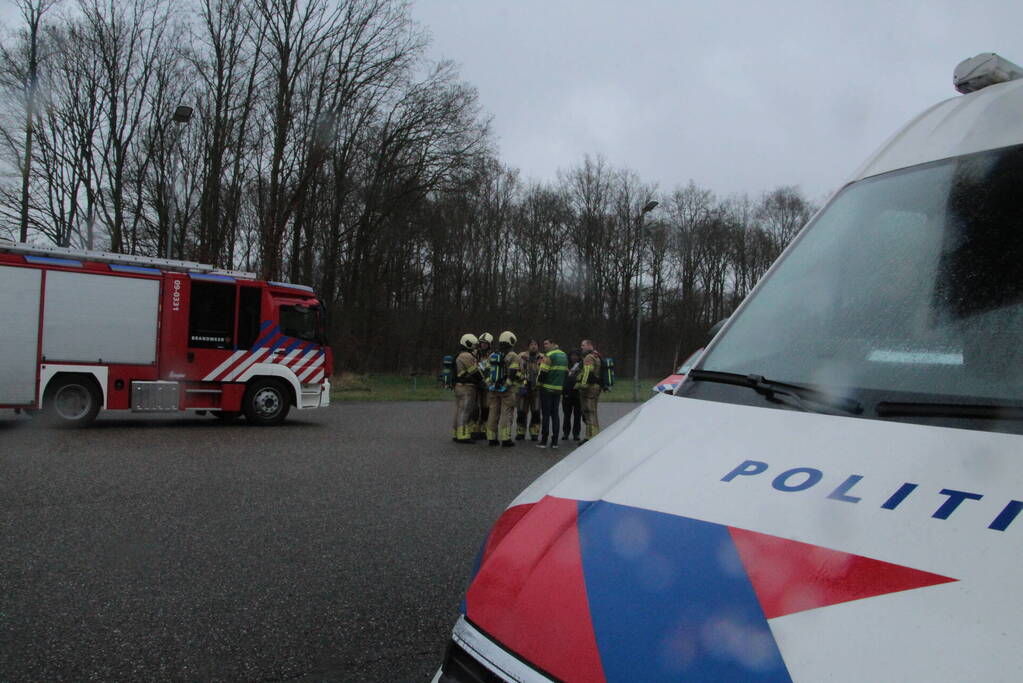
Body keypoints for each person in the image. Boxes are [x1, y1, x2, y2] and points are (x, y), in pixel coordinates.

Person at [486, 331, 522, 447]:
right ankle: (505, 439)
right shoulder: (514, 356)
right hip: (506, 390)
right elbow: (512, 373)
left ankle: (491, 438)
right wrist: (506, 386)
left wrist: (490, 385)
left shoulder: (492, 355)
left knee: (493, 412)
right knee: (506, 413)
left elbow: (486, 371)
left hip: (493, 389)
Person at [536, 338, 568, 449]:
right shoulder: (564, 355)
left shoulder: (549, 355)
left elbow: (543, 372)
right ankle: (555, 442)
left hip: (547, 389)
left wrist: (538, 383)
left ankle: (544, 441)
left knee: (545, 415)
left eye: (546, 344)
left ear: (553, 344)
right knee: (555, 415)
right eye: (544, 344)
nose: (545, 346)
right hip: (558, 389)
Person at [451, 333, 480, 443]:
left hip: (458, 386)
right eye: (473, 345)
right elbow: (475, 372)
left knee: (458, 410)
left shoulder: (459, 354)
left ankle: (456, 432)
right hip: (466, 388)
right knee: (465, 411)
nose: (475, 347)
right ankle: (463, 435)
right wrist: (484, 380)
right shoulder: (466, 356)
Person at [516, 339, 542, 440]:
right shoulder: (521, 356)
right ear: (528, 346)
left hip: (536, 389)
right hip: (523, 388)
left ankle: (534, 432)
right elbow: (516, 370)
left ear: (538, 347)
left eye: (535, 344)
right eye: (531, 344)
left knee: (536, 411)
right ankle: (520, 432)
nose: (533, 346)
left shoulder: (542, 358)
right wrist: (522, 377)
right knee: (521, 411)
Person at [579, 339, 603, 443]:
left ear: (589, 345)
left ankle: (592, 437)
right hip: (597, 386)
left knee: (589, 411)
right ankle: (592, 435)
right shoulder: (597, 355)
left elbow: (588, 372)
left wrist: (582, 385)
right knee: (592, 411)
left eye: (583, 345)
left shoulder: (589, 357)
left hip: (590, 388)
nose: (581, 347)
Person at [471, 332, 494, 440]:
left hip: (487, 385)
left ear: (490, 344)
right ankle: (474, 428)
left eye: (485, 343)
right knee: (475, 407)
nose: (483, 345)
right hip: (476, 383)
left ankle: (483, 427)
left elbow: (491, 369)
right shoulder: (475, 353)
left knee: (486, 407)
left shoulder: (492, 355)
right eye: (481, 343)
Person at [562, 349, 583, 442]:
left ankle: (576, 434)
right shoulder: (565, 366)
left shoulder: (581, 366)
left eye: (576, 355)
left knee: (577, 415)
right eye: (572, 355)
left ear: (579, 357)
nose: (574, 357)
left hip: (578, 393)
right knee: (567, 415)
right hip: (567, 392)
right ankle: (566, 433)